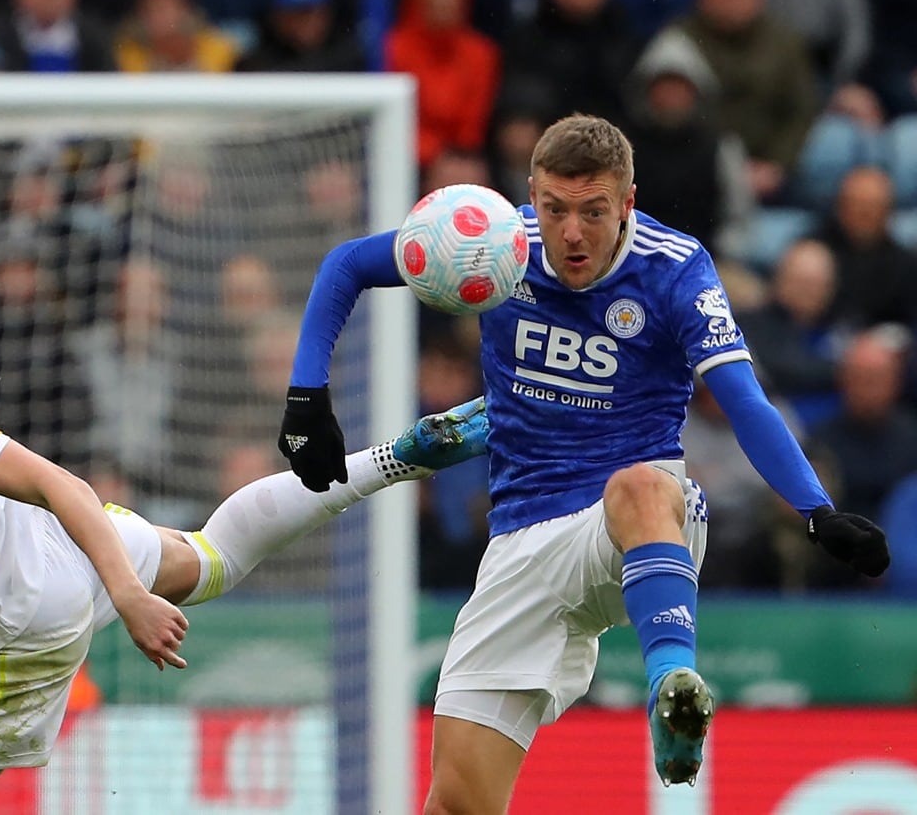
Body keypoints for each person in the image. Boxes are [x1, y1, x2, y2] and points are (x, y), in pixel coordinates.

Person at [0, 0, 490, 814]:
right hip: (53, 550)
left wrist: (130, 600)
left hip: (14, 625)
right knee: (211, 560)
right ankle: (398, 455)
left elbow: (57, 482)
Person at [275, 113, 891, 811]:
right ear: (532, 195)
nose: (571, 232)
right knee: (453, 802)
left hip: (636, 523)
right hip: (521, 542)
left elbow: (743, 399)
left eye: (593, 212)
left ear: (626, 202)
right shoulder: (494, 241)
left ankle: (672, 685)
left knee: (637, 483)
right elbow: (347, 265)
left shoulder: (674, 267)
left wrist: (816, 508)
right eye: (555, 209)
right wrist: (306, 395)